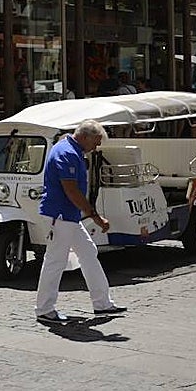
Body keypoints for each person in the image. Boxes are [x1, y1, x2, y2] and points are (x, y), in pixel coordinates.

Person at [34, 119, 126, 325]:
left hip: (67, 216)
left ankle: (102, 303)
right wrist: (95, 216)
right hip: (61, 215)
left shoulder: (68, 149)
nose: (98, 146)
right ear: (85, 137)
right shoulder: (67, 153)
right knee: (55, 260)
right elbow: (71, 190)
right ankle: (44, 308)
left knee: (87, 252)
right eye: (97, 140)